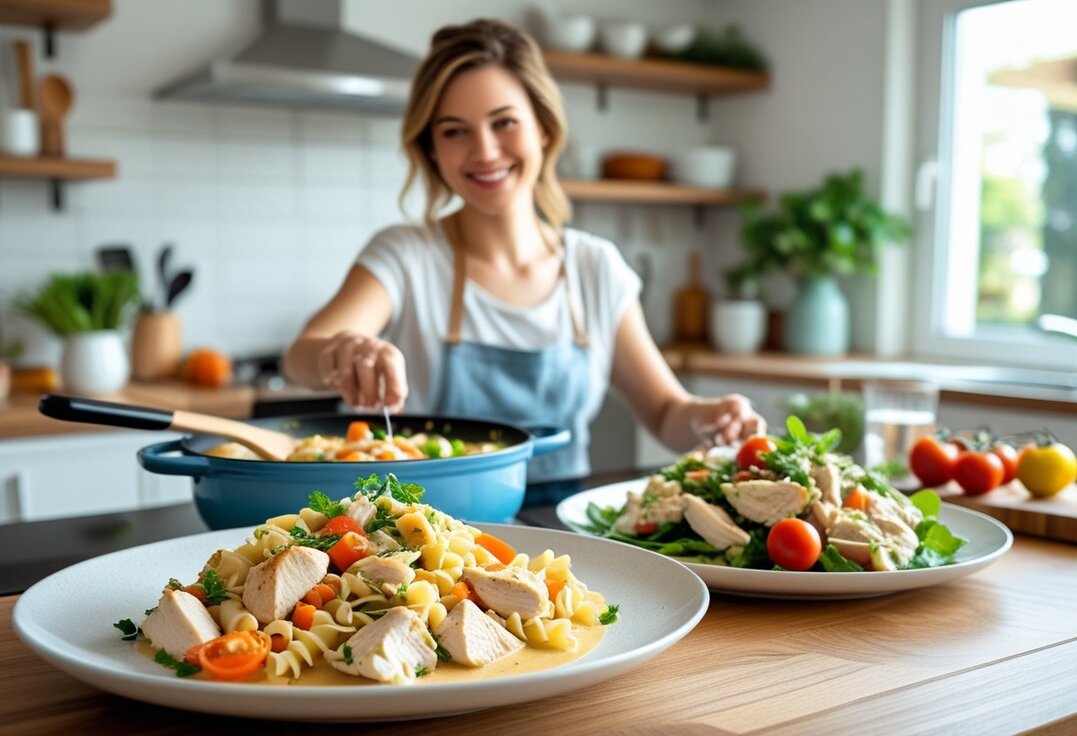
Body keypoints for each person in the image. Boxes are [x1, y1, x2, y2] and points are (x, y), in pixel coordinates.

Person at [283, 18, 765, 488]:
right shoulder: (406, 256)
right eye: (454, 131)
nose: (485, 151)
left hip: (559, 551)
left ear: (544, 129)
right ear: (431, 150)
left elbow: (664, 413)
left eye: (505, 122)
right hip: (422, 543)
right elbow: (299, 357)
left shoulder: (595, 269)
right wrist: (343, 349)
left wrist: (707, 417)